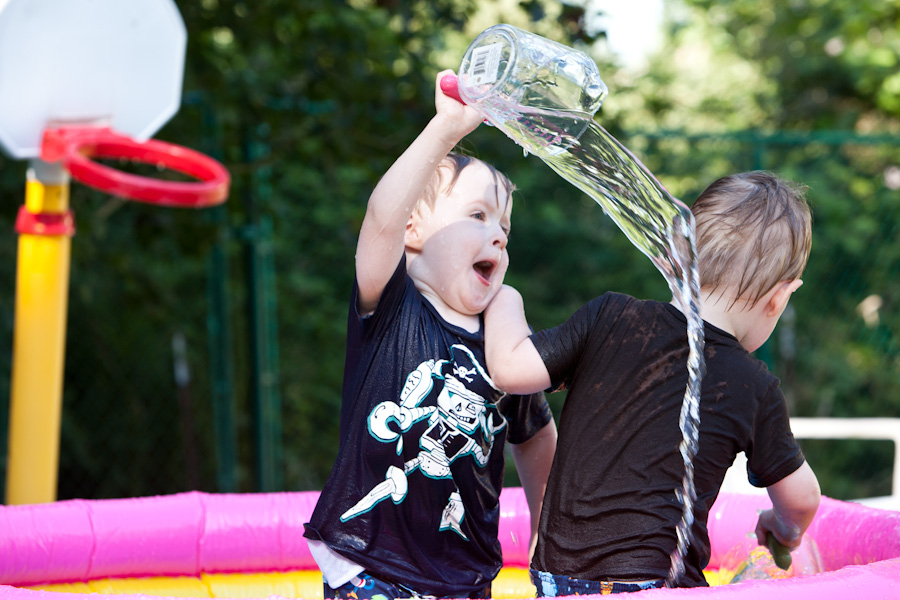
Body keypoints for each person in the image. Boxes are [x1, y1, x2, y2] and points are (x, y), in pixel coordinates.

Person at [483, 171, 821, 593]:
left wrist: (502, 296)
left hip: (561, 577)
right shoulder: (755, 385)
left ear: (677, 254)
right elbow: (804, 499)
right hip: (659, 584)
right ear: (780, 296)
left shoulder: (610, 317)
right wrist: (785, 528)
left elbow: (509, 370)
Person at [303, 69, 558, 600]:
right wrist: (445, 131)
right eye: (478, 214)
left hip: (465, 578)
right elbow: (380, 221)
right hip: (371, 566)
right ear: (415, 230)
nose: (498, 234)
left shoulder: (503, 345)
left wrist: (547, 533)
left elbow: (534, 439)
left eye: (505, 229)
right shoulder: (395, 308)